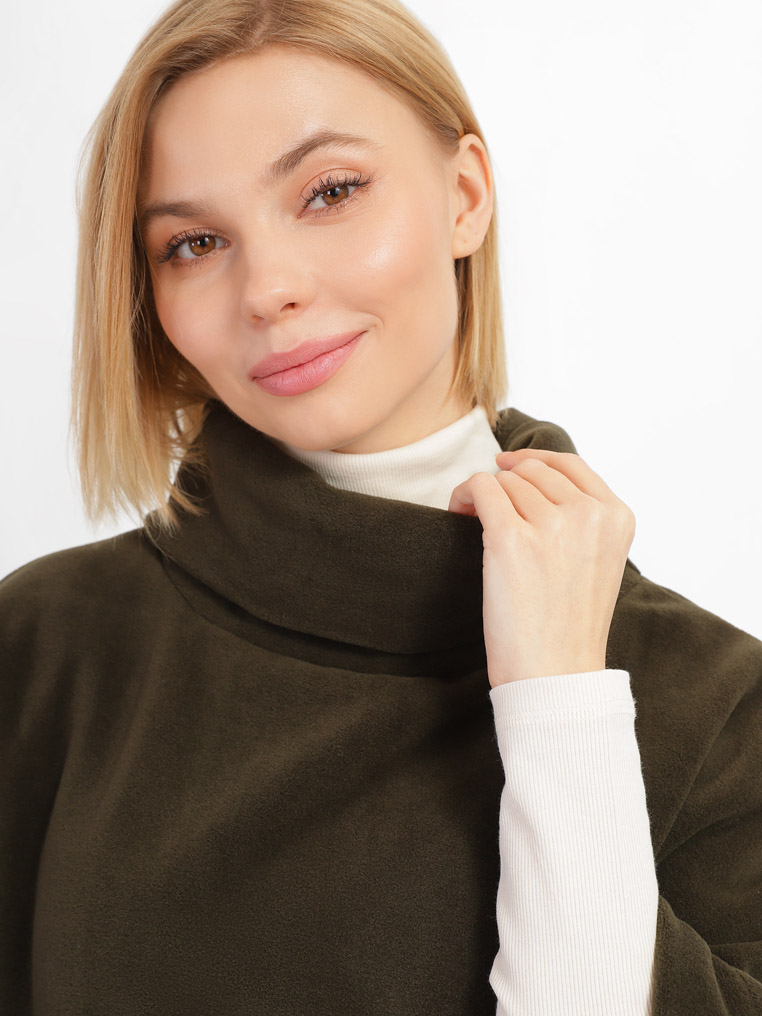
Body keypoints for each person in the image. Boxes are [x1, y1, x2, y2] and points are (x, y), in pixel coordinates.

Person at [1, 0, 760, 1013]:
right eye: (194, 242)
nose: (267, 287)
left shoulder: (716, 702)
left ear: (465, 195)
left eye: (330, 191)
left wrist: (559, 703)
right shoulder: (45, 648)